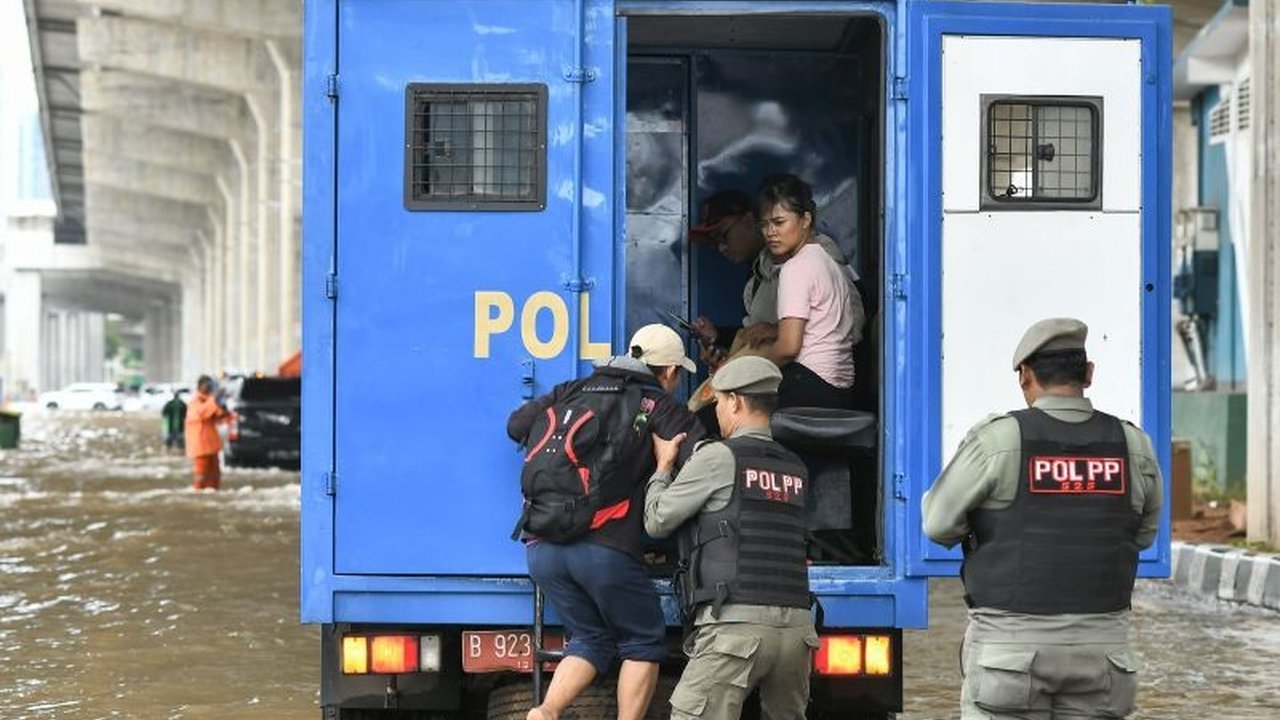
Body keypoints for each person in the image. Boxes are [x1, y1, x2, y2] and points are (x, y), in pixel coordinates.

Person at [922, 318, 1163, 719]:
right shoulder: (1133, 445)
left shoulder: (998, 440)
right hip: (1103, 655)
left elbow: (937, 525)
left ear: (1025, 376)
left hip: (1009, 654)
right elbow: (1143, 536)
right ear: (1088, 374)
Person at [507, 324, 706, 720]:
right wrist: (663, 461)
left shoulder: (572, 389)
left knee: (589, 638)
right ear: (667, 371)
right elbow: (702, 457)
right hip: (603, 550)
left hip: (542, 548)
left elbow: (516, 427)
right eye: (677, 374)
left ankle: (544, 712)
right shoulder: (656, 404)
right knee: (642, 641)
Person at [644, 355, 817, 720]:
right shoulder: (795, 466)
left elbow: (657, 521)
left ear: (736, 401)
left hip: (736, 627)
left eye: (719, 402)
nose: (718, 412)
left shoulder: (719, 457)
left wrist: (662, 467)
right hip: (797, 631)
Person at [185, 375, 230, 490]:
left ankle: (212, 492)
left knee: (215, 474)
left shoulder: (209, 401)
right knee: (202, 474)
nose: (209, 388)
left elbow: (221, 416)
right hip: (200, 446)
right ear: (200, 387)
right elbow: (202, 413)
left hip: (211, 445)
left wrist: (223, 405)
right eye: (208, 386)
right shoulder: (194, 402)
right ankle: (198, 493)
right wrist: (215, 399)